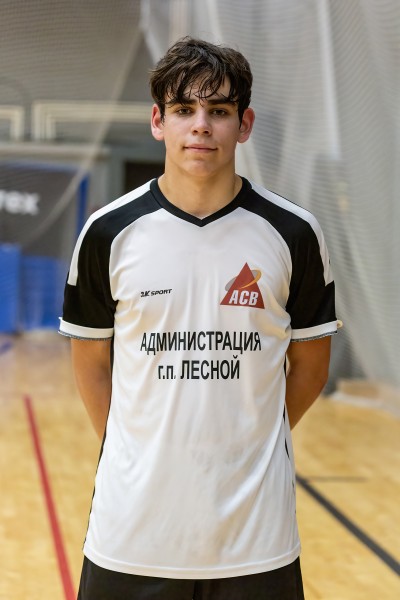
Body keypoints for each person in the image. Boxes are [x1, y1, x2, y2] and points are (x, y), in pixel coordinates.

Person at [60, 37, 338, 600]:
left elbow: (311, 367)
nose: (201, 126)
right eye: (184, 109)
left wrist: (251, 439)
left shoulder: (294, 233)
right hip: (132, 530)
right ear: (158, 122)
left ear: (245, 124)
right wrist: (137, 449)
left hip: (256, 538)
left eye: (220, 110)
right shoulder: (108, 232)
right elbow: (91, 362)